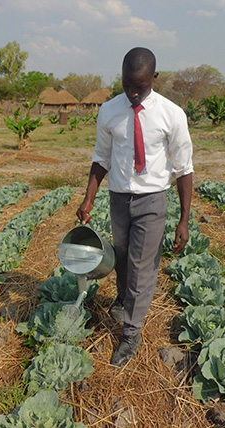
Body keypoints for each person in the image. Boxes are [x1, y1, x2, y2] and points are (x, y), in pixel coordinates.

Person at [76, 47, 193, 367]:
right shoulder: (110, 110)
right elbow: (101, 158)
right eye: (127, 84)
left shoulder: (171, 114)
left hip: (152, 201)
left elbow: (184, 169)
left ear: (155, 78)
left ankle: (131, 333)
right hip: (119, 199)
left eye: (139, 86)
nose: (132, 92)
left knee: (143, 267)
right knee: (123, 258)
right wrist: (89, 197)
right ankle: (124, 298)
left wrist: (184, 219)